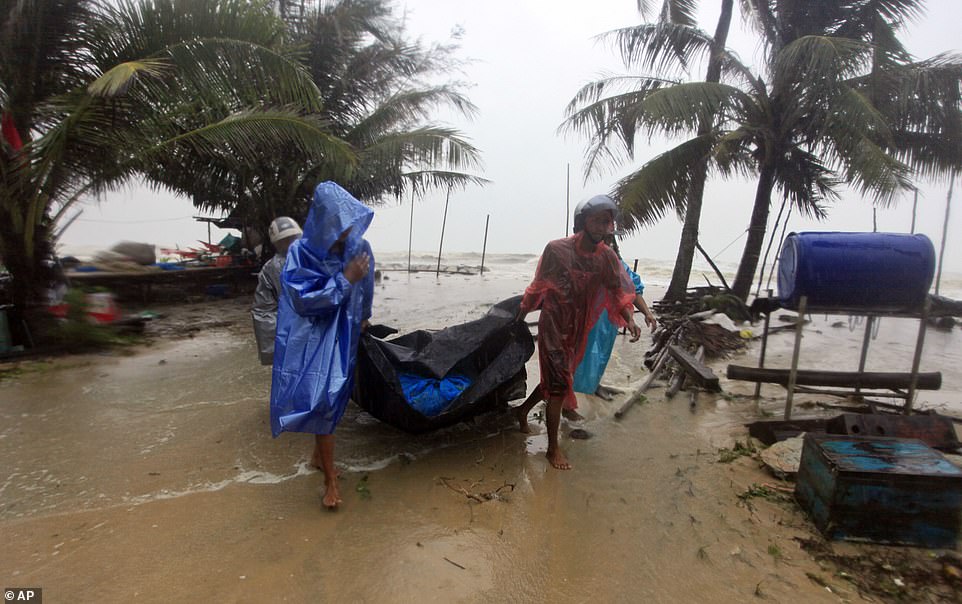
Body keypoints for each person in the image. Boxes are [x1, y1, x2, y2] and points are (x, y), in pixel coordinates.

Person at [514, 194, 641, 470]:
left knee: (558, 379)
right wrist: (520, 318)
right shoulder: (557, 250)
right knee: (559, 384)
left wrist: (629, 319)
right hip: (553, 324)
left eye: (607, 222)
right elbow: (537, 287)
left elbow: (618, 292)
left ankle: (522, 412)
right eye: (597, 220)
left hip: (579, 327)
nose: (602, 227)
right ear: (582, 221)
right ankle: (552, 449)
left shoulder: (606, 257)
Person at [270, 182, 375, 509]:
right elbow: (302, 300)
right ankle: (330, 480)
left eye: (349, 221)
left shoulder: (360, 246)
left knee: (337, 395)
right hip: (313, 334)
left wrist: (365, 317)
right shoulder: (301, 253)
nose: (345, 230)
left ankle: (319, 455)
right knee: (323, 398)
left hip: (345, 331)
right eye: (338, 222)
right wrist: (345, 279)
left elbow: (367, 287)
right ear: (323, 219)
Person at [573, 234, 657, 401]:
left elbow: (633, 290)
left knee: (600, 355)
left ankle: (592, 387)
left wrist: (647, 313)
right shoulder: (581, 262)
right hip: (582, 319)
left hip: (607, 322)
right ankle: (568, 402)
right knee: (576, 358)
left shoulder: (618, 266)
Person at [251, 216, 302, 366]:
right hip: (294, 336)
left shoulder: (314, 258)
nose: (291, 243)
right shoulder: (271, 269)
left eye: (293, 238)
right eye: (285, 240)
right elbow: (263, 311)